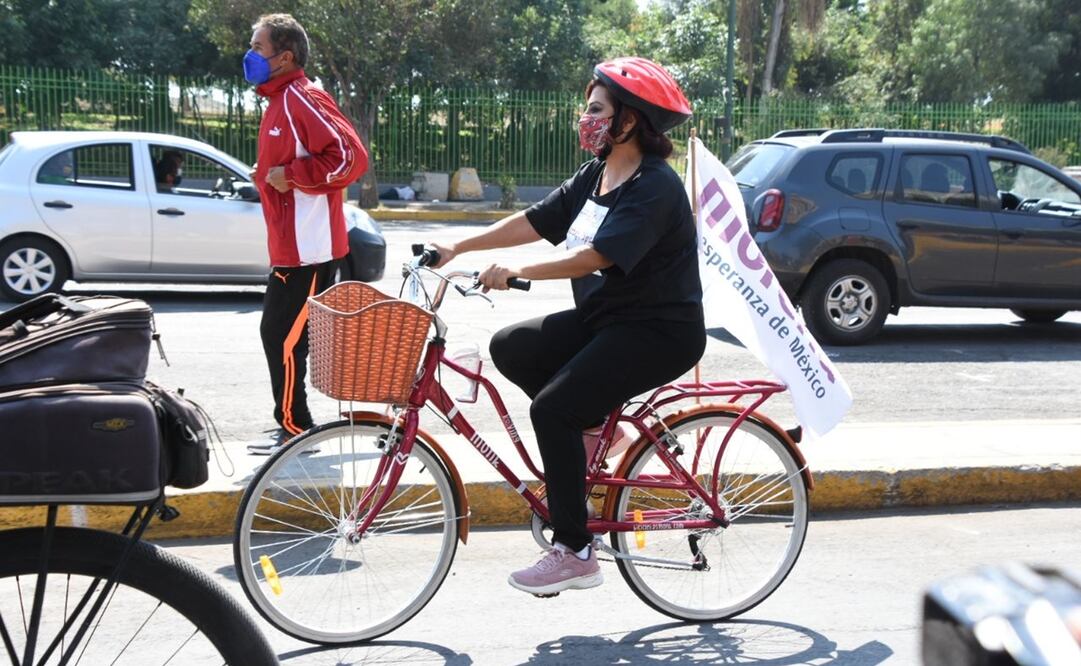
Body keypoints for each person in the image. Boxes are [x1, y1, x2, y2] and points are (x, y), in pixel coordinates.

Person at [429, 57, 706, 596]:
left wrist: (518, 272)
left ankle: (576, 551)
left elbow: (594, 256)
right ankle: (597, 428)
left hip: (659, 331)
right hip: (609, 318)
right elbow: (538, 220)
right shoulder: (598, 173)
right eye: (588, 108)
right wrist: (457, 246)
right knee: (513, 347)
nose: (586, 118)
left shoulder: (655, 185)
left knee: (552, 409)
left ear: (630, 120)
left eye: (597, 109)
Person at [243, 13, 369, 455]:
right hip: (290, 248)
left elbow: (351, 157)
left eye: (258, 47)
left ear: (284, 57)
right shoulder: (279, 101)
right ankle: (291, 423)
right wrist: (272, 174)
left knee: (283, 337)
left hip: (309, 249)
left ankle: (296, 428)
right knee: (279, 335)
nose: (250, 55)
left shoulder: (302, 97)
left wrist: (293, 175)